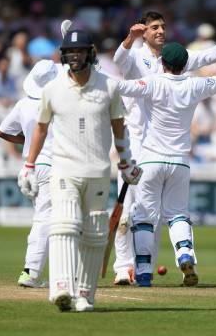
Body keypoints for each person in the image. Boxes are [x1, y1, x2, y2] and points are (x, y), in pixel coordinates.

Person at [112, 25, 216, 287]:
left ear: (164, 63)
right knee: (177, 214)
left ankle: (144, 273)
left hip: (150, 160)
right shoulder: (194, 85)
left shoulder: (153, 82)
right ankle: (184, 254)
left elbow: (120, 87)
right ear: (183, 65)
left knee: (144, 217)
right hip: (180, 162)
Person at [18, 29, 142, 312]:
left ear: (90, 53)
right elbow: (40, 129)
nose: (74, 55)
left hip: (98, 170)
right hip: (63, 169)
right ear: (64, 54)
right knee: (64, 224)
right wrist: (28, 165)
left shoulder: (109, 87)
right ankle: (61, 288)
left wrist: (126, 161)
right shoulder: (52, 90)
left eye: (80, 51)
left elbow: (119, 128)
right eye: (70, 51)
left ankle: (85, 294)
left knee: (95, 232)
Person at [0, 60, 59, 288]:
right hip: (53, 165)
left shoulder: (24, 104)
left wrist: (28, 142)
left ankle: (45, 272)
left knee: (46, 218)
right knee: (48, 218)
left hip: (31, 167)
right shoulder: (58, 102)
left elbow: (3, 131)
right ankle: (31, 272)